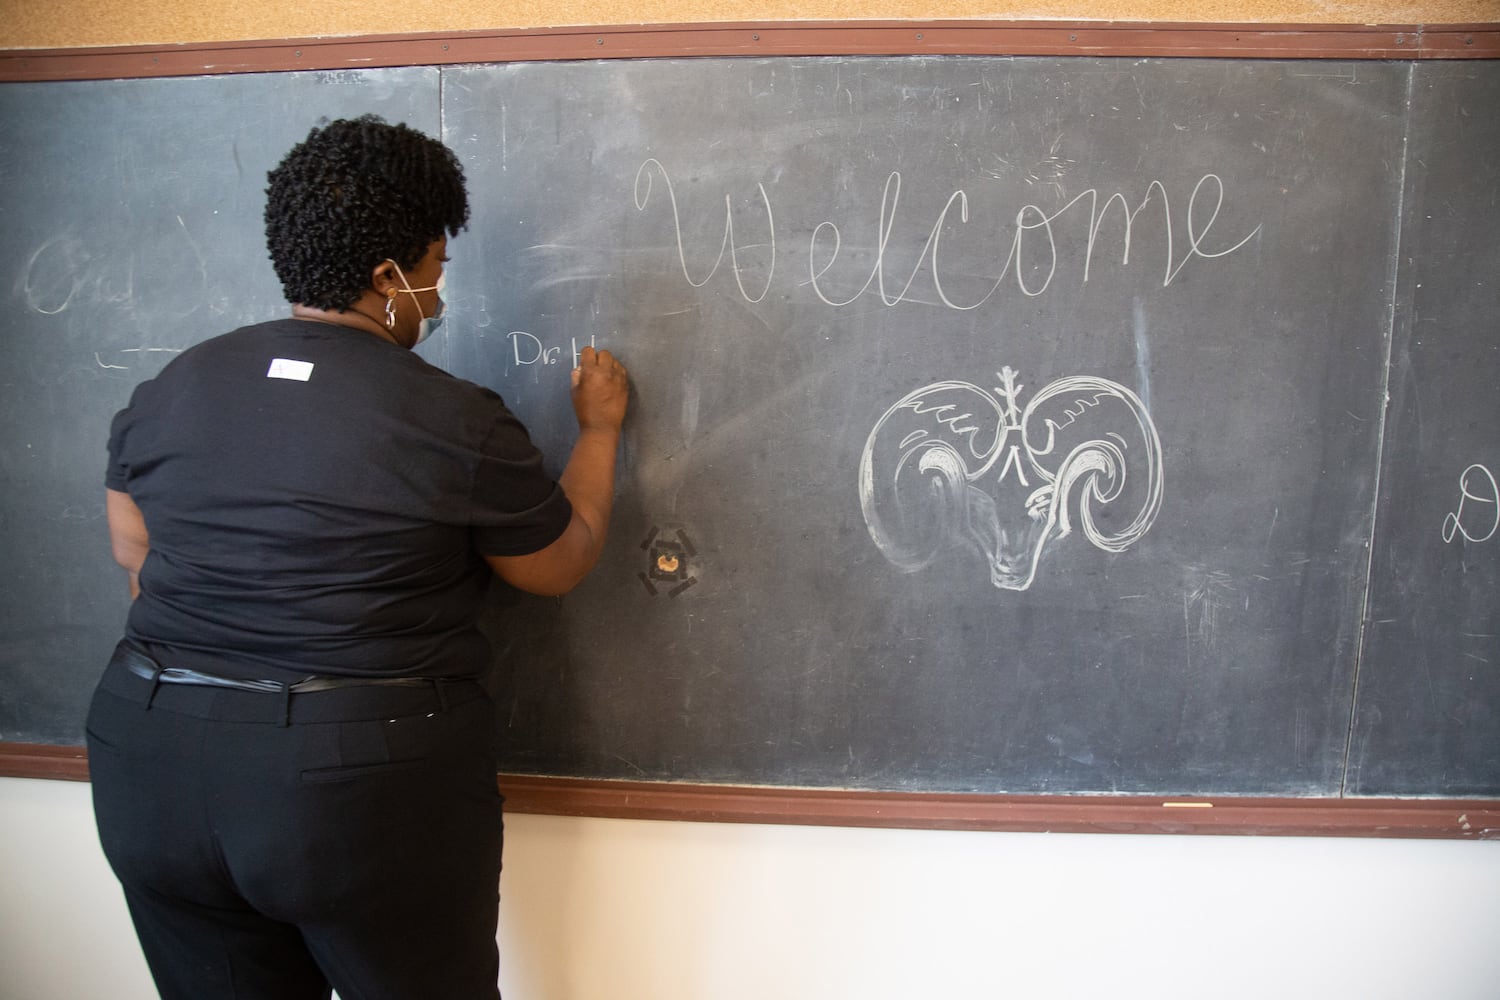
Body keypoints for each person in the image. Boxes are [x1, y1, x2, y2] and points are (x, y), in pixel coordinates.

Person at [85, 114, 629, 1000]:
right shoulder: (452, 417)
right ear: (388, 276)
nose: (438, 293)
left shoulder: (170, 387)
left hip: (150, 761)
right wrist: (600, 433)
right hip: (352, 782)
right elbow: (557, 562)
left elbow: (135, 557)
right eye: (435, 269)